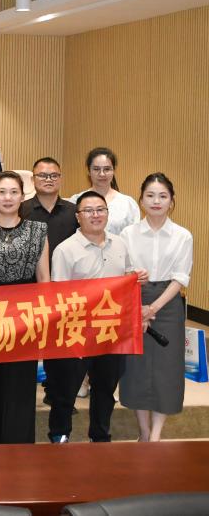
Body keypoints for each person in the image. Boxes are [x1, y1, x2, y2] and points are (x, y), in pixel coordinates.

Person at [49, 190, 136, 444]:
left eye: (100, 210)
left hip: (110, 331)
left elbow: (126, 281)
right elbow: (59, 295)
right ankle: (59, 437)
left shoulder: (120, 244)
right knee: (65, 391)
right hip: (76, 332)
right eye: (88, 211)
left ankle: (100, 437)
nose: (95, 215)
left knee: (105, 390)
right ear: (78, 216)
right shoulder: (65, 250)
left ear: (107, 214)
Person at [0, 171, 49, 445]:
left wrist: (43, 319)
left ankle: (18, 444)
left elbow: (44, 279)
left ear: (22, 196)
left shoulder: (38, 230)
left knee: (20, 382)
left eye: (14, 192)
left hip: (25, 314)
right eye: (2, 192)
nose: (8, 198)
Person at [120, 173, 193, 442]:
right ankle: (143, 431)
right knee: (136, 368)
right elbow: (124, 272)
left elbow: (181, 278)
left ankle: (156, 436)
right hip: (135, 300)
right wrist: (139, 306)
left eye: (163, 196)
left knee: (166, 368)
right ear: (141, 200)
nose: (156, 201)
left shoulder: (183, 235)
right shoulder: (128, 234)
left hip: (168, 304)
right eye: (150, 195)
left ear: (172, 201)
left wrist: (152, 308)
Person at [20, 157, 80, 415]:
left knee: (61, 345)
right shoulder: (21, 209)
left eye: (53, 175)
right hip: (27, 287)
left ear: (60, 178)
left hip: (65, 287)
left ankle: (56, 394)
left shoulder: (74, 211)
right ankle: (22, 397)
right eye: (42, 175)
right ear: (33, 179)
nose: (48, 179)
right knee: (26, 342)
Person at [70, 148, 140, 236]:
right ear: (89, 171)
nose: (102, 174)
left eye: (107, 169)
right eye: (96, 169)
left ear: (114, 170)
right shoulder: (75, 201)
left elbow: (134, 237)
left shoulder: (128, 204)